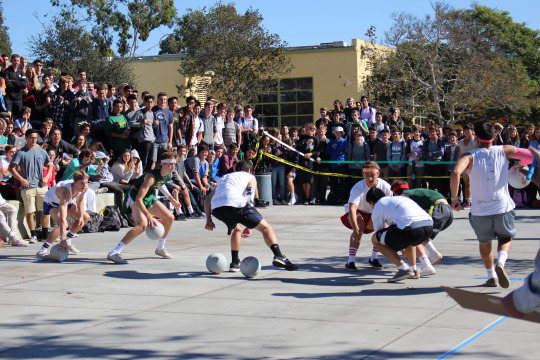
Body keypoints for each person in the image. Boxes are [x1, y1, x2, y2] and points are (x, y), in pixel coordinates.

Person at [450, 121, 534, 288]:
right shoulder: (505, 150)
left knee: (485, 243)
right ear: (495, 136)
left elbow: (455, 172)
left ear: (476, 137)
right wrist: (521, 164)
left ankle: (491, 276)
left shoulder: (469, 156)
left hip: (480, 209)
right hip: (502, 206)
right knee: (506, 237)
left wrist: (454, 199)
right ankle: (501, 262)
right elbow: (532, 156)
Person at [204, 160, 298, 272]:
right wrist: (249, 224)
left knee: (238, 228)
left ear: (236, 169)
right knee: (266, 228)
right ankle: (279, 255)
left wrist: (209, 220)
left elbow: (207, 199)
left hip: (217, 209)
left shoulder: (225, 178)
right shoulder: (250, 177)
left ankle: (235, 263)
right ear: (249, 170)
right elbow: (250, 196)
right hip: (236, 204)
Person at [107, 150, 181, 264]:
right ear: (163, 164)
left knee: (170, 218)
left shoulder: (168, 174)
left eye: (174, 164)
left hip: (149, 196)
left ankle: (160, 248)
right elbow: (138, 199)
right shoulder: (150, 176)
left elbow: (160, 184)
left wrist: (173, 200)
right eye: (170, 164)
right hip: (135, 196)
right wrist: (148, 216)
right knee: (142, 225)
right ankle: (114, 252)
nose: (173, 166)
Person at [367, 187, 434, 282]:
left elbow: (379, 234)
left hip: (411, 229)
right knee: (409, 237)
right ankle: (414, 269)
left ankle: (403, 268)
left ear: (372, 202)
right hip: (428, 226)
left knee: (375, 239)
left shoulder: (378, 206)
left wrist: (397, 246)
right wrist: (401, 244)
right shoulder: (398, 199)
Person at [391, 180, 453, 274]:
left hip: (438, 208)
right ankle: (431, 256)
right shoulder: (415, 194)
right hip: (447, 211)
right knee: (421, 232)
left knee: (417, 232)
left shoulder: (404, 196)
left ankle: (433, 254)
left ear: (395, 193)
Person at [341, 161, 392, 271]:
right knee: (359, 228)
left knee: (383, 229)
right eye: (366, 175)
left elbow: (390, 207)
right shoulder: (357, 187)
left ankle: (373, 258)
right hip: (359, 211)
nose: (369, 178)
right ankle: (350, 261)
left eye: (372, 175)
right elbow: (352, 209)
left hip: (376, 212)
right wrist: (355, 229)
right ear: (363, 174)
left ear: (378, 174)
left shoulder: (386, 187)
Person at [9, 129, 53, 243]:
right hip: (27, 187)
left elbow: (50, 165)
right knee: (30, 211)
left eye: (36, 138)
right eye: (32, 138)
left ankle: (44, 233)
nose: (34, 140)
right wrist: (21, 179)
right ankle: (33, 234)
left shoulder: (42, 152)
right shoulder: (21, 152)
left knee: (45, 211)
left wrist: (46, 178)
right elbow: (11, 168)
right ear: (26, 138)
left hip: (41, 185)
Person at [35, 172, 90, 259]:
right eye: (82, 183)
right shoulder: (66, 192)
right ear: (75, 183)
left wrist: (80, 216)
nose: (84, 185)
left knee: (85, 217)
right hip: (52, 202)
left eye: (86, 182)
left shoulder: (84, 187)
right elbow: (62, 218)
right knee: (63, 225)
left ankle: (68, 241)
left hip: (66, 201)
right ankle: (42, 251)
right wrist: (62, 239)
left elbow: (80, 201)